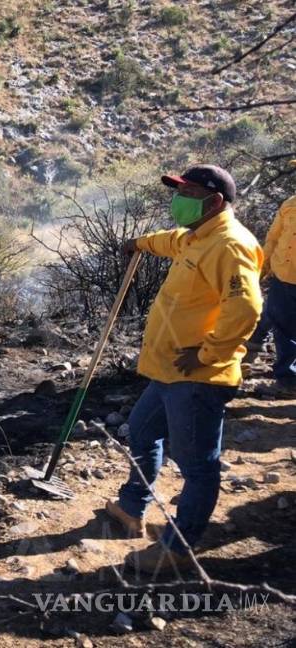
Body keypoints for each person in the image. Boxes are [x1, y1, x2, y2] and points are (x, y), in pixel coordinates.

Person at [104, 165, 263, 574]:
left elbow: (246, 308)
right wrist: (139, 243)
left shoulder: (231, 245)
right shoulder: (196, 237)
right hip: (170, 374)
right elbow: (171, 241)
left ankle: (178, 548)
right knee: (141, 430)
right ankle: (131, 508)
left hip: (198, 378)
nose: (179, 199)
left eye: (188, 191)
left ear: (214, 202)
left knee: (198, 468)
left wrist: (207, 355)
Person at [253, 184, 296, 394]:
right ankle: (288, 379)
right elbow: (273, 238)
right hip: (283, 276)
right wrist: (262, 267)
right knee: (283, 326)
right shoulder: (289, 204)